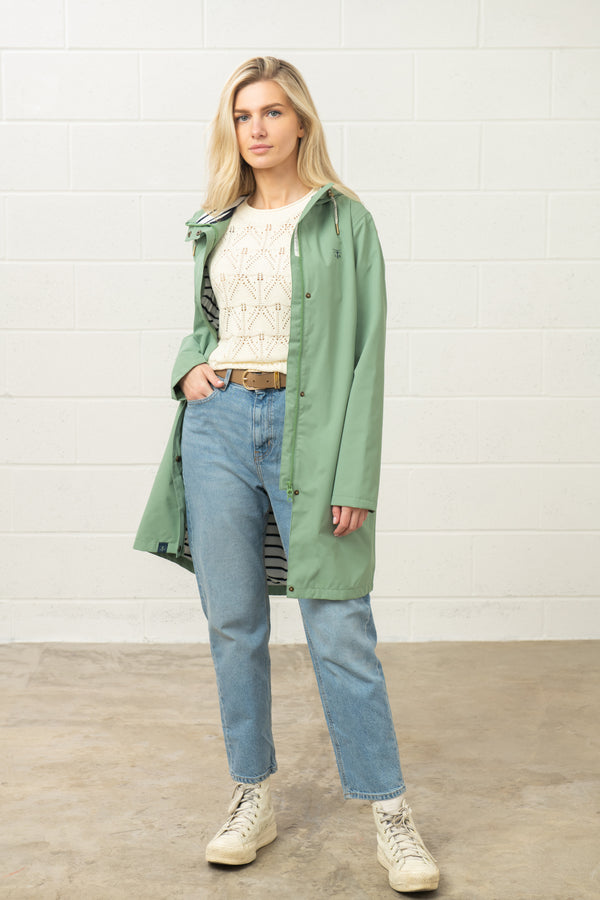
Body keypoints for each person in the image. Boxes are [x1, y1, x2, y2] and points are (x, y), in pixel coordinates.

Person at [134, 56, 440, 894]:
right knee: (233, 621)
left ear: (301, 121)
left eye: (271, 112)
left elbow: (367, 354)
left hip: (310, 436)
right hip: (218, 428)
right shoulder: (215, 221)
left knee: (339, 625)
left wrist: (355, 478)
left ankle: (389, 811)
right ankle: (251, 795)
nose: (257, 128)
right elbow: (207, 323)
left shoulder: (344, 220)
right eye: (243, 116)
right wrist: (188, 366)